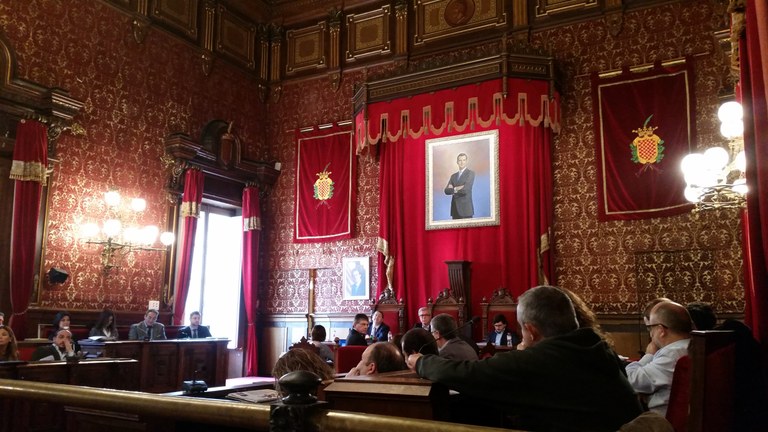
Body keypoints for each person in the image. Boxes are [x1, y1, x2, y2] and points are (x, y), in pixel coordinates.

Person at [407, 285, 642, 431]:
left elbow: (468, 374)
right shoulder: (599, 348)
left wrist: (421, 361)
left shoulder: (540, 359)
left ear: (531, 331)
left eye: (521, 328)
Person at [626, 301, 692, 416]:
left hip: (659, 421)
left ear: (661, 330)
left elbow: (630, 381)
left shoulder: (671, 354)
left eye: (650, 328)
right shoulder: (693, 347)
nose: (651, 334)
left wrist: (648, 355)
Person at [443, 152, 475, 219]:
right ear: (457, 162)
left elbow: (465, 190)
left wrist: (453, 189)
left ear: (466, 161)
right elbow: (446, 191)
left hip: (466, 210)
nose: (462, 162)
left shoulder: (470, 173)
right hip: (454, 210)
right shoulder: (453, 176)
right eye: (460, 160)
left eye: (464, 160)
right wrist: (456, 188)